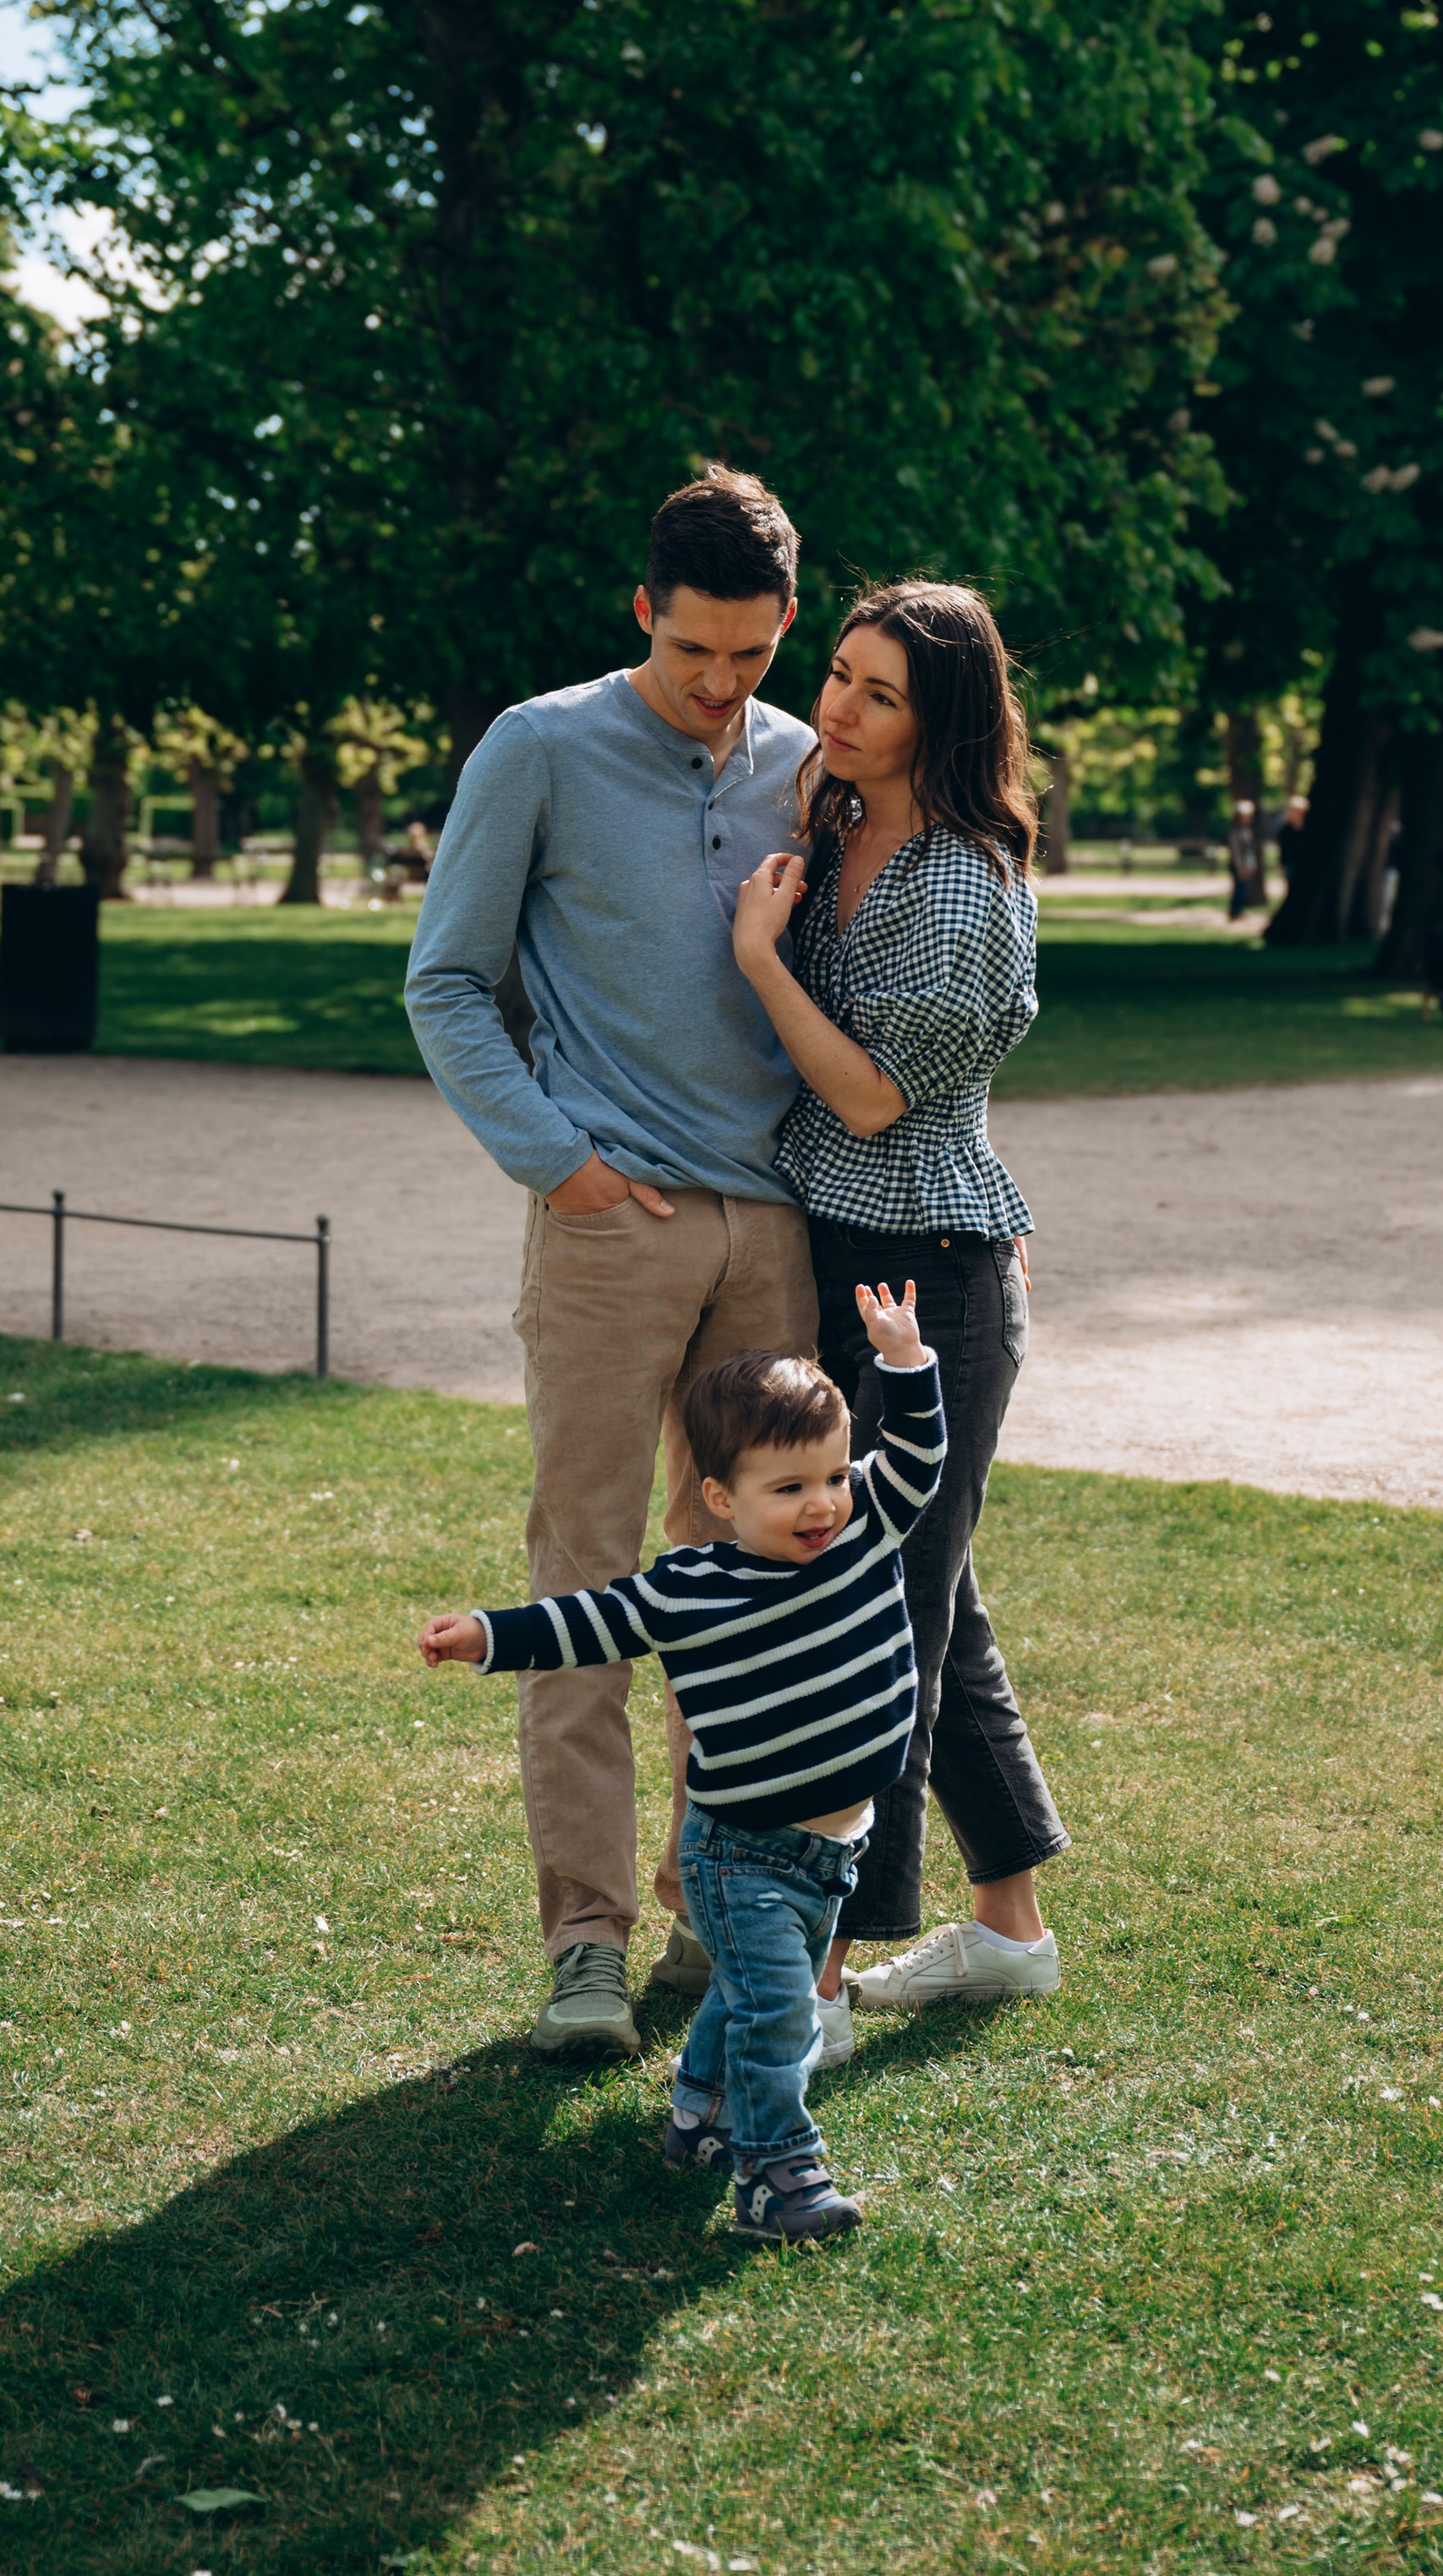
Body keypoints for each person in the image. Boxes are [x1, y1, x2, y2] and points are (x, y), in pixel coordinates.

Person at [402, 468, 818, 2061]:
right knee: (586, 1574)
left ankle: (716, 1898)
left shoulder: (803, 759)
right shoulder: (540, 745)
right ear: (644, 609)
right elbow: (446, 981)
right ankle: (584, 1939)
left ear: (785, 624)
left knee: (755, 1590)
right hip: (605, 1226)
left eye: (752, 655)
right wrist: (558, 1162)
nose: (722, 688)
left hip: (769, 1227)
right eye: (696, 648)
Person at [728, 581, 1069, 2063]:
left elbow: (873, 1094)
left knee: (881, 1613)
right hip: (837, 1246)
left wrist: (758, 959)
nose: (838, 710)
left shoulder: (964, 878)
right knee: (939, 1590)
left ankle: (820, 1967)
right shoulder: (846, 821)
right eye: (838, 676)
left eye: (878, 692)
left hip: (931, 1273)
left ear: (944, 717)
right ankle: (1008, 1929)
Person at [418, 1291, 944, 2244]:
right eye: (786, 1488)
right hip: (738, 1855)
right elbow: (585, 1620)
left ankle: (700, 2117)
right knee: (779, 2015)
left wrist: (905, 1364)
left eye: (830, 1473)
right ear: (720, 1498)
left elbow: (918, 1456)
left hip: (834, 1852)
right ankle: (776, 2181)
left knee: (746, 1997)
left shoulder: (868, 1523)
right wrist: (484, 1636)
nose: (821, 1501)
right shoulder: (690, 1586)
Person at [1227, 796, 1263, 921]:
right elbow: (1236, 851)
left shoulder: (1246, 830)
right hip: (1238, 865)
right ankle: (1234, 912)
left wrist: (1251, 865)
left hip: (1245, 865)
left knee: (1242, 890)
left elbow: (1250, 850)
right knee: (1238, 889)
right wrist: (1240, 867)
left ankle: (1239, 911)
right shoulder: (1235, 832)